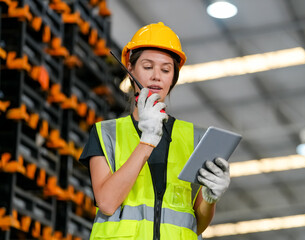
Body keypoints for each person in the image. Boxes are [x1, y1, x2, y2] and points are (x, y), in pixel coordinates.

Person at [79, 22, 231, 240]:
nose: (156, 76)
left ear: (173, 78)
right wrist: (147, 141)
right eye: (148, 67)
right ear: (130, 70)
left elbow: (197, 224)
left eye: (166, 69)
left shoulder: (195, 138)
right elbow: (107, 202)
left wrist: (210, 197)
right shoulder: (106, 134)